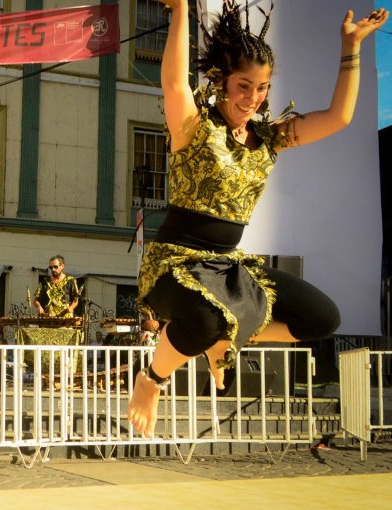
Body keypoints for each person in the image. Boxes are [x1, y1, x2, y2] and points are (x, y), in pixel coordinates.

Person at [128, 0, 387, 438]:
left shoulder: (268, 139)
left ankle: (224, 335)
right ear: (222, 82)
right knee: (206, 321)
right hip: (173, 264)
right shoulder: (194, 125)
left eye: (262, 88)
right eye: (244, 86)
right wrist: (179, 10)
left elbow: (340, 117)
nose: (253, 99)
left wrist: (351, 47)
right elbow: (174, 82)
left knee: (323, 319)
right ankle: (151, 380)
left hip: (228, 267)